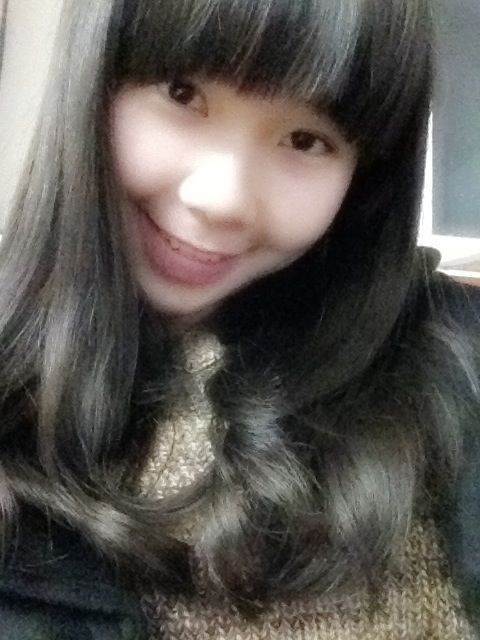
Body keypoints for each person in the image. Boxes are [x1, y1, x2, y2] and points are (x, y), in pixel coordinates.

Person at [0, 0, 479, 638]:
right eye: (183, 93)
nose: (221, 198)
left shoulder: (451, 365)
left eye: (305, 140)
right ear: (94, 82)